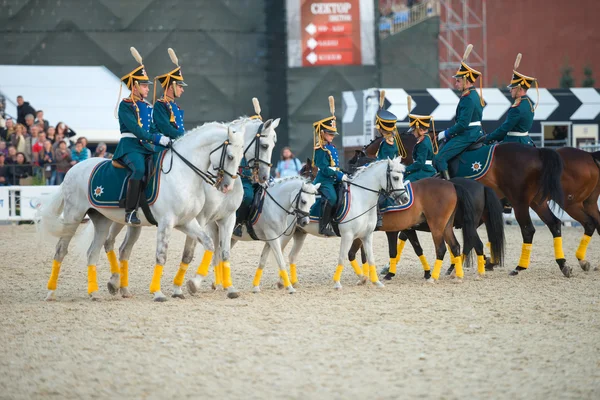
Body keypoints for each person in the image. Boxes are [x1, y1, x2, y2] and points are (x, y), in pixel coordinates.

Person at [113, 47, 167, 225]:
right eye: (144, 85)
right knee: (139, 169)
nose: (147, 88)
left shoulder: (147, 107)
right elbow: (136, 130)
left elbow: (151, 127)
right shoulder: (125, 105)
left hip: (146, 146)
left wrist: (164, 139)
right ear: (135, 86)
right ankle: (129, 211)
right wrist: (157, 139)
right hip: (129, 146)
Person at [434, 44, 484, 180]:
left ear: (467, 81)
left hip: (468, 134)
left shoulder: (468, 98)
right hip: (474, 132)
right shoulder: (473, 95)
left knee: (439, 159)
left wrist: (446, 133)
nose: (456, 84)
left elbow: (462, 124)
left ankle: (448, 187)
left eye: (458, 81)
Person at [312, 96, 348, 237]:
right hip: (324, 180)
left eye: (333, 133)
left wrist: (343, 173)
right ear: (322, 133)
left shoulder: (331, 146)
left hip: (334, 178)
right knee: (332, 198)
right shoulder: (320, 148)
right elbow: (325, 168)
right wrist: (339, 175)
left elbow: (335, 166)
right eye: (330, 133)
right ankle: (323, 225)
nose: (332, 136)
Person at [484, 53, 536, 146]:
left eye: (513, 87)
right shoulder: (528, 103)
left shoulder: (517, 107)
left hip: (515, 143)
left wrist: (489, 138)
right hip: (526, 141)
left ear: (520, 88)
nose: (510, 90)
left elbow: (505, 128)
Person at [233, 98, 263, 237]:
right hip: (242, 180)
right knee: (248, 197)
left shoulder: (258, 149)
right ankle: (238, 223)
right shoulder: (240, 146)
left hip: (257, 180)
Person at [152, 48, 186, 145]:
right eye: (180, 87)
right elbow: (165, 128)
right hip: (164, 145)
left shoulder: (174, 105)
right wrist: (186, 136)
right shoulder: (160, 105)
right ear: (171, 87)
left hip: (176, 143)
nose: (182, 90)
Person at [404, 96, 438, 182]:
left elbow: (420, 163)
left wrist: (406, 169)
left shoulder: (423, 143)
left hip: (424, 171)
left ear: (421, 130)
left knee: (406, 182)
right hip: (424, 169)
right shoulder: (424, 139)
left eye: (414, 130)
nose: (412, 132)